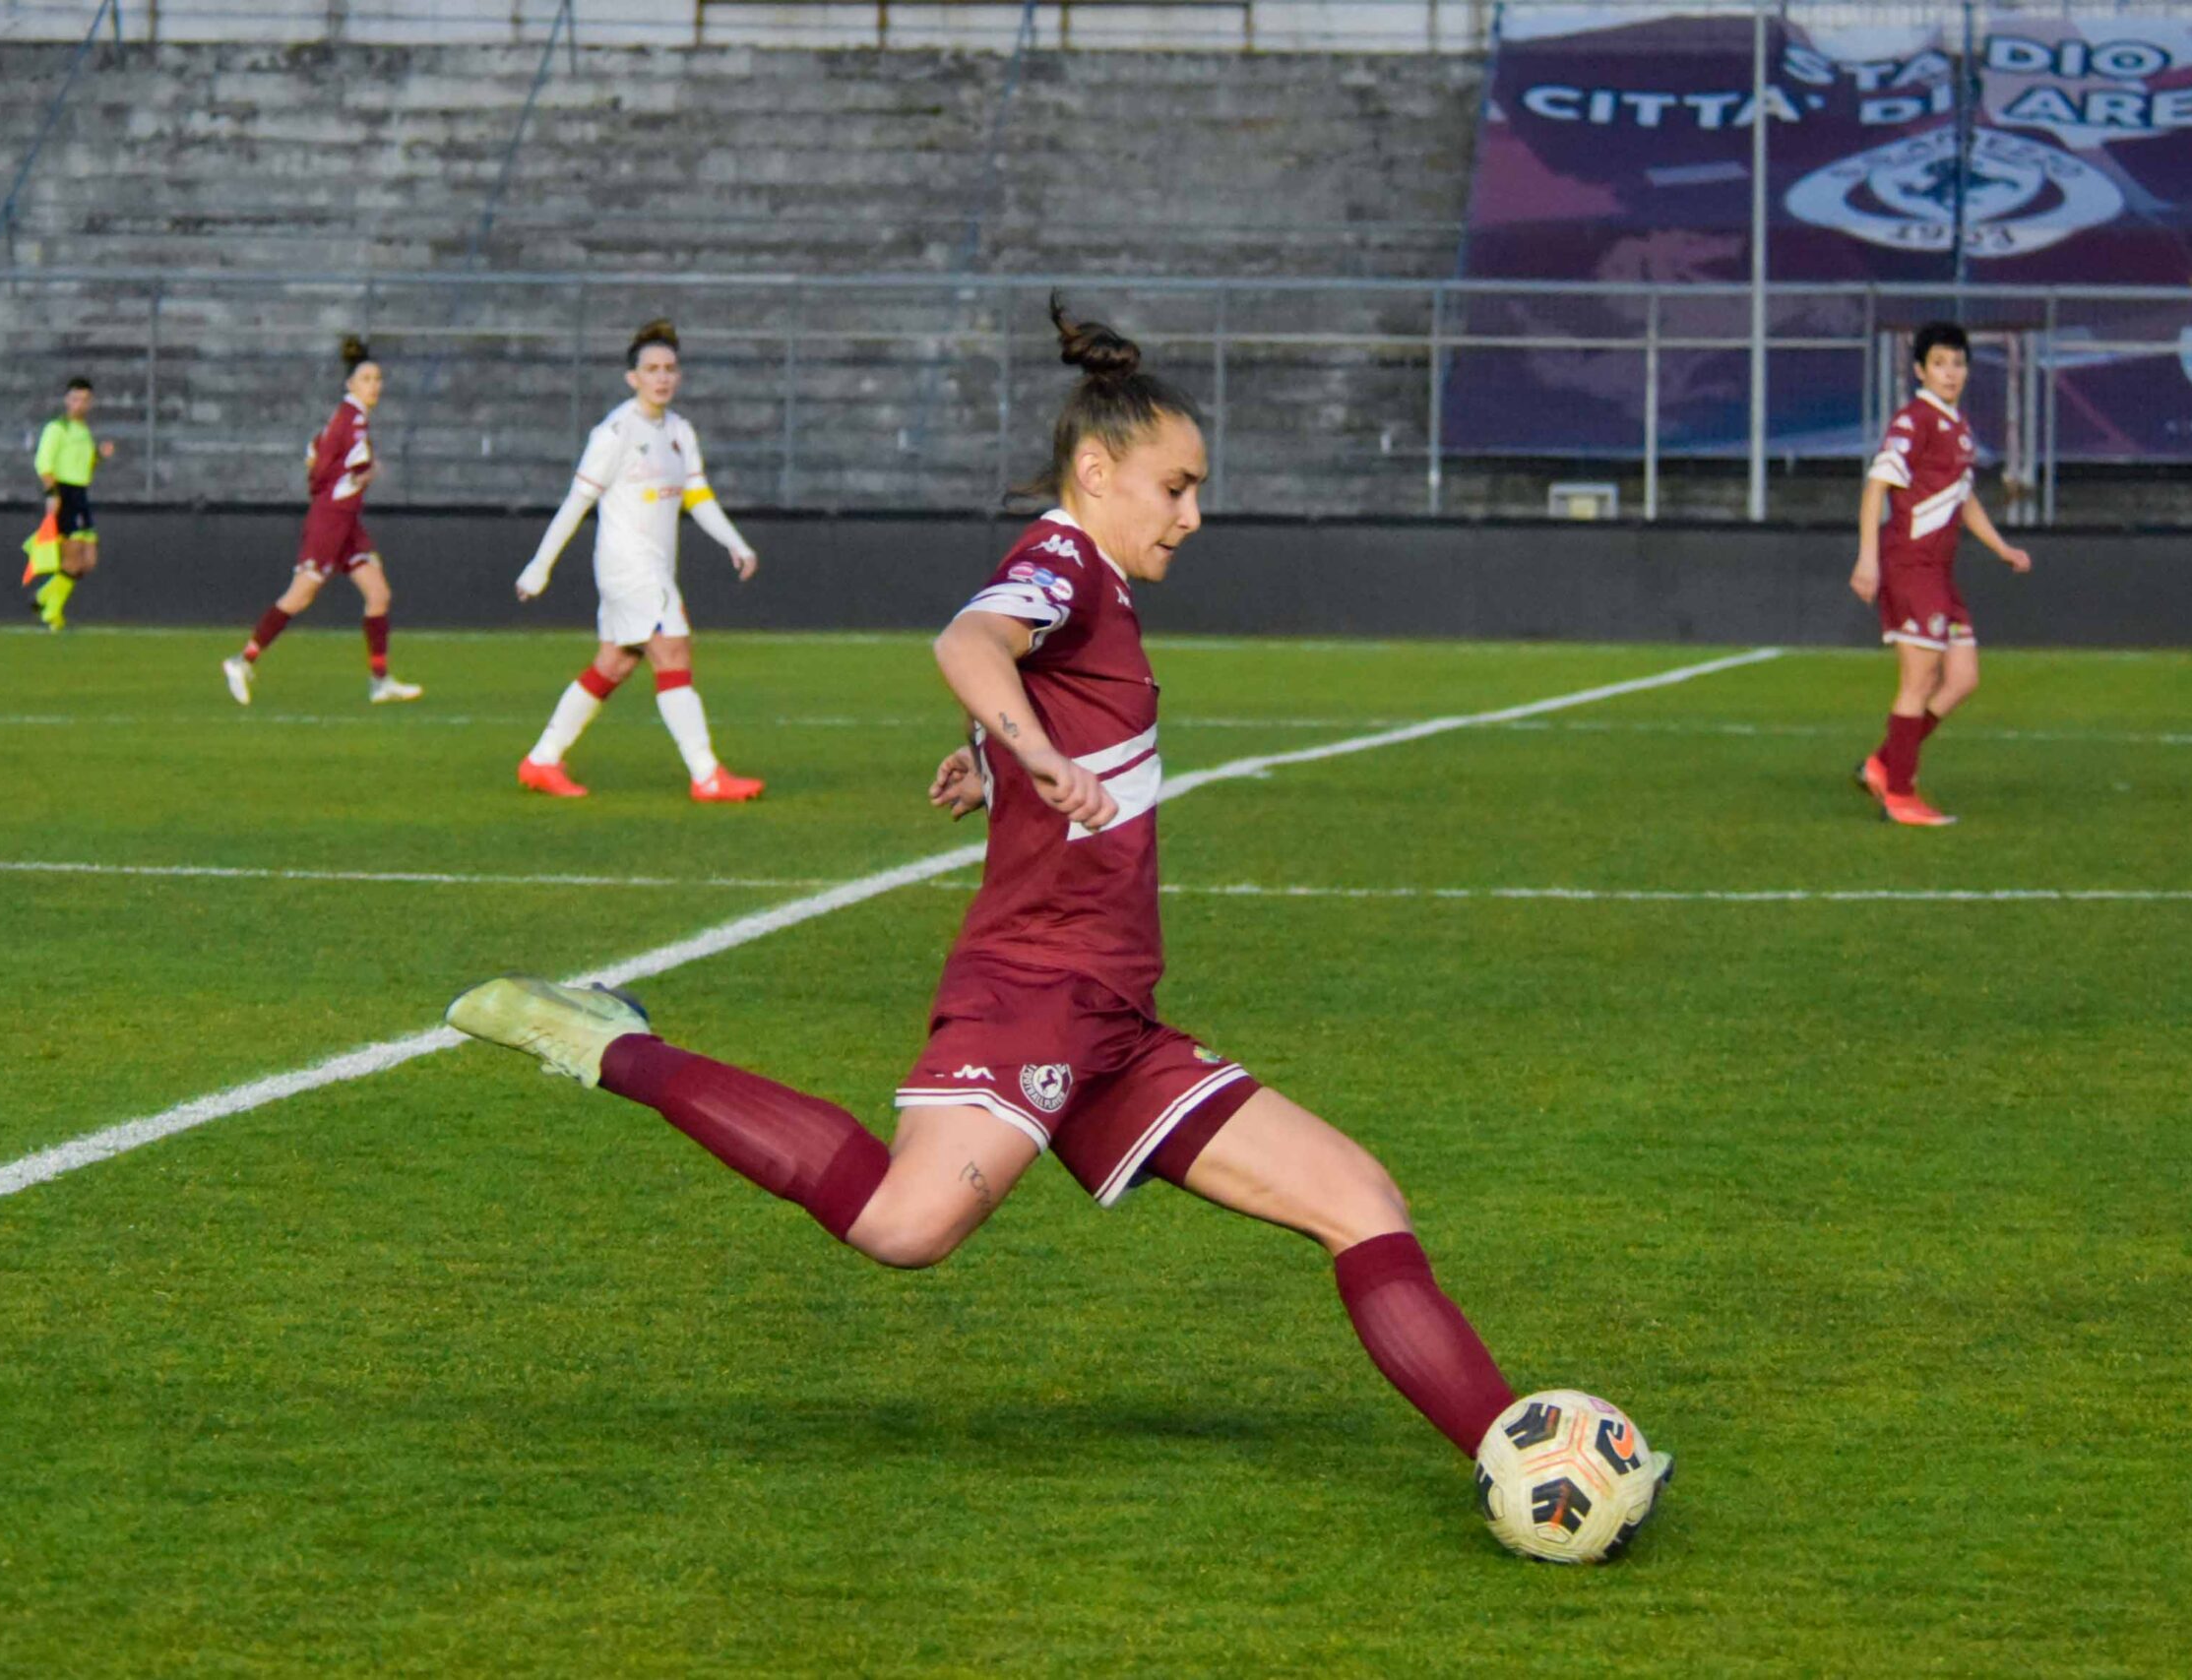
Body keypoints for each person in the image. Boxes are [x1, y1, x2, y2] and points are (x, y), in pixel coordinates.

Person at [446, 300, 1648, 1487]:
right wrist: (1026, 751)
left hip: (1112, 1015)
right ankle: (617, 1043)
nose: (1193, 513)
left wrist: (995, 760)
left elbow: (1031, 693)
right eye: (1175, 486)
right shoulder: (1062, 558)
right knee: (905, 1228)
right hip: (1035, 986)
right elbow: (968, 645)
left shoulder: (1098, 589)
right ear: (1095, 467)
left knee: (1361, 1199)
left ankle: (1518, 1457)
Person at [510, 318, 763, 801]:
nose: (662, 377)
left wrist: (735, 542)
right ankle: (707, 775)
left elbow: (697, 496)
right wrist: (538, 567)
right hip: (628, 568)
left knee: (615, 664)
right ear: (633, 378)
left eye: (669, 368)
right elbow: (576, 503)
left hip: (654, 568)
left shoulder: (679, 431)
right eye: (652, 369)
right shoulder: (614, 432)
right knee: (673, 652)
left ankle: (541, 760)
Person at [1848, 321, 2034, 827]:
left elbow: (1962, 496)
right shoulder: (1914, 421)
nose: (1951, 373)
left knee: (1962, 679)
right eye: (1940, 364)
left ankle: (1884, 765)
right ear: (1919, 371)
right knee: (1921, 678)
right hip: (1910, 567)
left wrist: (2001, 547)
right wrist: (1867, 558)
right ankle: (1901, 795)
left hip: (1940, 573)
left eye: (1958, 363)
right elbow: (1876, 488)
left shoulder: (1958, 426)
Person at [221, 336, 422, 707]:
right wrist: (369, 471)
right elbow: (357, 467)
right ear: (350, 385)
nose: (374, 386)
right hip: (331, 520)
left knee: (378, 593)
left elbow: (314, 453)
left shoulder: (344, 418)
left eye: (377, 379)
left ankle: (380, 680)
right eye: (366, 379)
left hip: (345, 520)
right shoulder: (354, 421)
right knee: (301, 594)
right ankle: (242, 660)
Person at [26, 376, 115, 631]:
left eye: (85, 399)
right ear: (67, 400)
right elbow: (43, 463)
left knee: (89, 561)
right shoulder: (57, 428)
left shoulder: (84, 432)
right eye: (75, 399)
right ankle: (52, 615)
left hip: (81, 494)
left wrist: (99, 455)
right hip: (65, 493)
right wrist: (52, 494)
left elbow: (85, 467)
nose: (80, 404)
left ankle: (43, 596)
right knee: (73, 559)